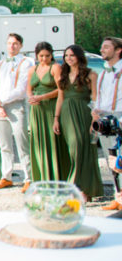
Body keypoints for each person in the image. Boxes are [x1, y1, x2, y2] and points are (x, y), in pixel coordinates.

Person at [53, 45, 101, 201]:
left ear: (79, 56)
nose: (68, 58)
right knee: (73, 151)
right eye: (66, 55)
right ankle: (78, 188)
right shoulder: (63, 76)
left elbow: (95, 97)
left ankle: (80, 188)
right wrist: (56, 119)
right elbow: (60, 98)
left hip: (83, 113)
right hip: (66, 115)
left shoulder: (90, 75)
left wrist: (95, 118)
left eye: (72, 55)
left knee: (83, 149)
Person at [0, 33, 34, 189]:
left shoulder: (26, 63)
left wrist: (2, 101)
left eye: (15, 43)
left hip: (16, 105)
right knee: (4, 144)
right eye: (9, 43)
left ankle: (29, 178)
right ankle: (6, 176)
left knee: (22, 143)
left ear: (20, 45)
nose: (12, 46)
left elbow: (21, 89)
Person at [23, 41, 64, 187]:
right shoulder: (32, 69)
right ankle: (39, 179)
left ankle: (54, 179)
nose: (44, 59)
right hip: (36, 110)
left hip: (50, 107)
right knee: (37, 143)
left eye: (47, 56)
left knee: (51, 142)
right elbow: (28, 88)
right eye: (41, 56)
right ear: (36, 55)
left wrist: (42, 97)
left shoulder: (55, 68)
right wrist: (31, 97)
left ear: (51, 55)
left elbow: (61, 90)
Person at [93, 37, 122, 211]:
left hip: (120, 117)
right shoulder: (104, 72)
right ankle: (117, 196)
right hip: (105, 120)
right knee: (109, 158)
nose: (102, 49)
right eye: (102, 46)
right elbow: (100, 96)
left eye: (106, 47)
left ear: (118, 50)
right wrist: (96, 111)